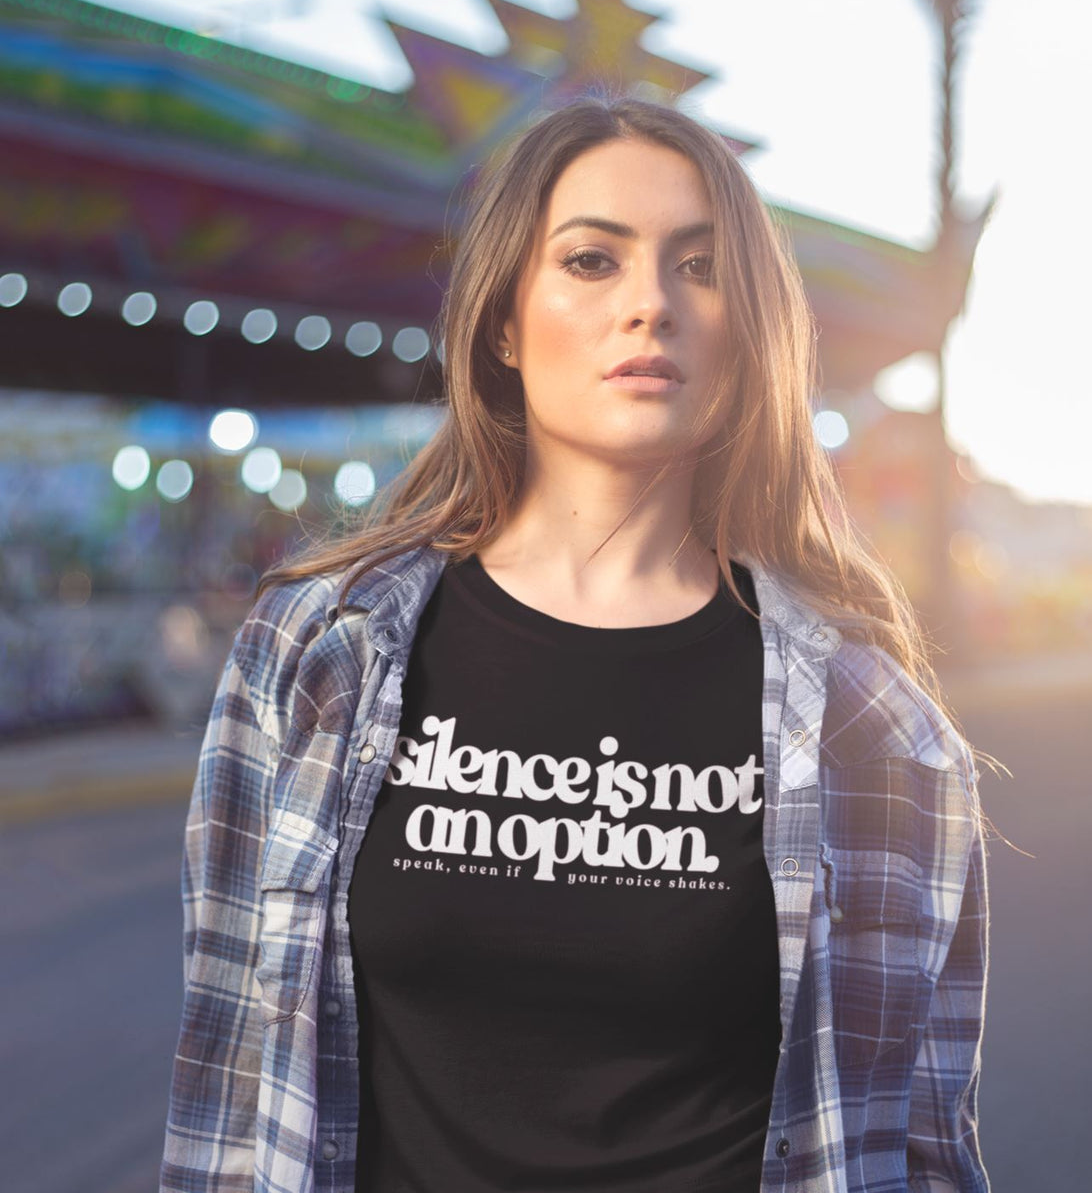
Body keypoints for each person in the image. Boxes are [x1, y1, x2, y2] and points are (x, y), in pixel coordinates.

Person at [161, 96, 990, 1193]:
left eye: (700, 267)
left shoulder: (871, 727)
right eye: (593, 260)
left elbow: (917, 1148)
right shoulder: (319, 650)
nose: (649, 305)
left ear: (753, 328)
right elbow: (229, 1089)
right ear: (505, 320)